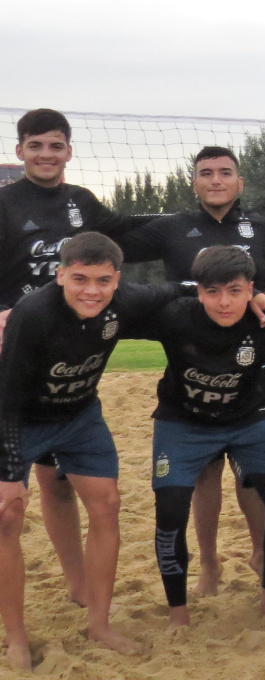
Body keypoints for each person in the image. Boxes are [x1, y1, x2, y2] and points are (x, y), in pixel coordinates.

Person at [0, 233, 265, 670]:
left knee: (108, 506)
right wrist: (10, 469)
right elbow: (7, 396)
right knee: (8, 513)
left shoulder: (124, 300)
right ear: (60, 276)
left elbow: (189, 286)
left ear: (118, 280)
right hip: (20, 417)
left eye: (103, 280)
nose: (92, 290)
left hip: (79, 416)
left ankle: (100, 623)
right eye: (80, 279)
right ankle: (15, 637)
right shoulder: (32, 315)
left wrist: (254, 293)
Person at [120, 145, 265, 595]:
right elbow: (118, 245)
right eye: (206, 173)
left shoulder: (259, 228)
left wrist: (260, 291)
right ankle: (208, 563)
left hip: (251, 365)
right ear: (194, 182)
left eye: (226, 173)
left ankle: (261, 552)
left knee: (252, 475)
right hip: (192, 359)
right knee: (205, 473)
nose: (216, 180)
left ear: (240, 182)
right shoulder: (172, 228)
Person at [0, 108, 153, 608]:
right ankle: (74, 579)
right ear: (20, 150)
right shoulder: (5, 204)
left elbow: (130, 231)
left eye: (55, 145)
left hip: (71, 347)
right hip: (19, 345)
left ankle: (81, 586)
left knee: (62, 470)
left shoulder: (82, 202)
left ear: (69, 151)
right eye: (35, 145)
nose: (46, 155)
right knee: (45, 480)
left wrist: (188, 226)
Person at [133, 246, 265, 627]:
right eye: (212, 291)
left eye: (234, 290)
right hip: (183, 422)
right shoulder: (175, 316)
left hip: (248, 419)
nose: (224, 302)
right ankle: (179, 613)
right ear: (197, 291)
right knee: (170, 509)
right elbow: (119, 303)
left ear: (250, 289)